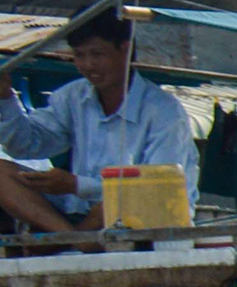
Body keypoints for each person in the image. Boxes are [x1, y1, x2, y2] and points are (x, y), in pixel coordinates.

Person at [0, 12, 193, 234]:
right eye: (80, 55)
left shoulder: (164, 112)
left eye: (97, 54)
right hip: (79, 217)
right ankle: (73, 239)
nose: (88, 65)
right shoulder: (73, 96)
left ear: (125, 49)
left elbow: (157, 187)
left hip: (143, 217)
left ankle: (68, 239)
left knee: (125, 199)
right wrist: (5, 97)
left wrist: (76, 185)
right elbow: (26, 144)